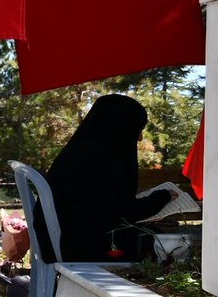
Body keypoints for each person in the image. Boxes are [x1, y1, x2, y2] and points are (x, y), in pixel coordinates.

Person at [36, 94, 178, 263]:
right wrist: (160, 199)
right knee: (168, 246)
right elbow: (121, 213)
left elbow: (104, 208)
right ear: (120, 127)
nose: (139, 138)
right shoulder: (101, 159)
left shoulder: (79, 151)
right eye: (136, 129)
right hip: (82, 248)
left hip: (60, 242)